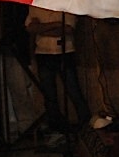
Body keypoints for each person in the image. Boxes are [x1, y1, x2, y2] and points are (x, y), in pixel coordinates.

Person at [25, 7, 91, 141]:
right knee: (49, 94)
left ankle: (86, 126)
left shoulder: (66, 4)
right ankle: (57, 127)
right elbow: (30, 28)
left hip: (65, 52)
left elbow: (68, 29)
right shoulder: (36, 5)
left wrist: (42, 28)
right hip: (43, 53)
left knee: (73, 90)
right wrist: (55, 25)